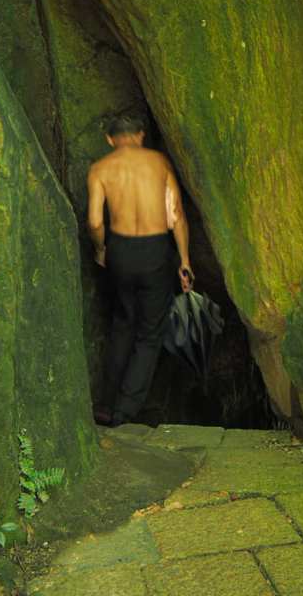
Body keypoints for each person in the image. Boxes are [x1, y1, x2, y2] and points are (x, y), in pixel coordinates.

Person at [87, 113, 194, 426]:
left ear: (110, 139)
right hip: (155, 252)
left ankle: (105, 404)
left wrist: (101, 249)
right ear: (141, 135)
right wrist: (184, 260)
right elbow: (176, 214)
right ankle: (125, 410)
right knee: (149, 333)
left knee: (123, 324)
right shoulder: (159, 164)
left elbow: (95, 221)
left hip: (120, 251)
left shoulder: (100, 169)